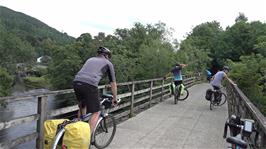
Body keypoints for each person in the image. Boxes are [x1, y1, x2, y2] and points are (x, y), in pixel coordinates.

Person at [73, 46, 118, 131]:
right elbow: (113, 83)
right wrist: (115, 98)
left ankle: (78, 131)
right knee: (96, 112)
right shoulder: (108, 63)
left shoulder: (90, 59)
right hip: (90, 84)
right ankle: (87, 140)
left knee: (82, 106)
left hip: (76, 82)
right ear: (107, 56)